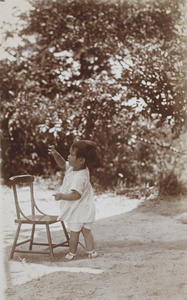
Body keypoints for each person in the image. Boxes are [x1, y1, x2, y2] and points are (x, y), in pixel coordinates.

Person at [48, 140, 98, 261]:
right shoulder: (74, 168)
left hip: (78, 209)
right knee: (86, 230)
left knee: (74, 231)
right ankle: (91, 251)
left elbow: (76, 195)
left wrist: (61, 196)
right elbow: (61, 164)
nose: (68, 156)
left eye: (71, 154)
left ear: (81, 160)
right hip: (86, 207)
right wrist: (56, 154)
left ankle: (72, 253)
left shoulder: (79, 176)